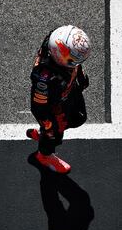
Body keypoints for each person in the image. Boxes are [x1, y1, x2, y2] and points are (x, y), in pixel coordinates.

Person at [27, 25, 91, 174]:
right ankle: (44, 155)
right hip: (54, 107)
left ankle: (42, 133)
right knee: (54, 134)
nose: (77, 62)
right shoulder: (44, 79)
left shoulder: (57, 38)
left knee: (78, 118)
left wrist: (79, 75)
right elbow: (38, 107)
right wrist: (49, 127)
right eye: (74, 59)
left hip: (68, 91)